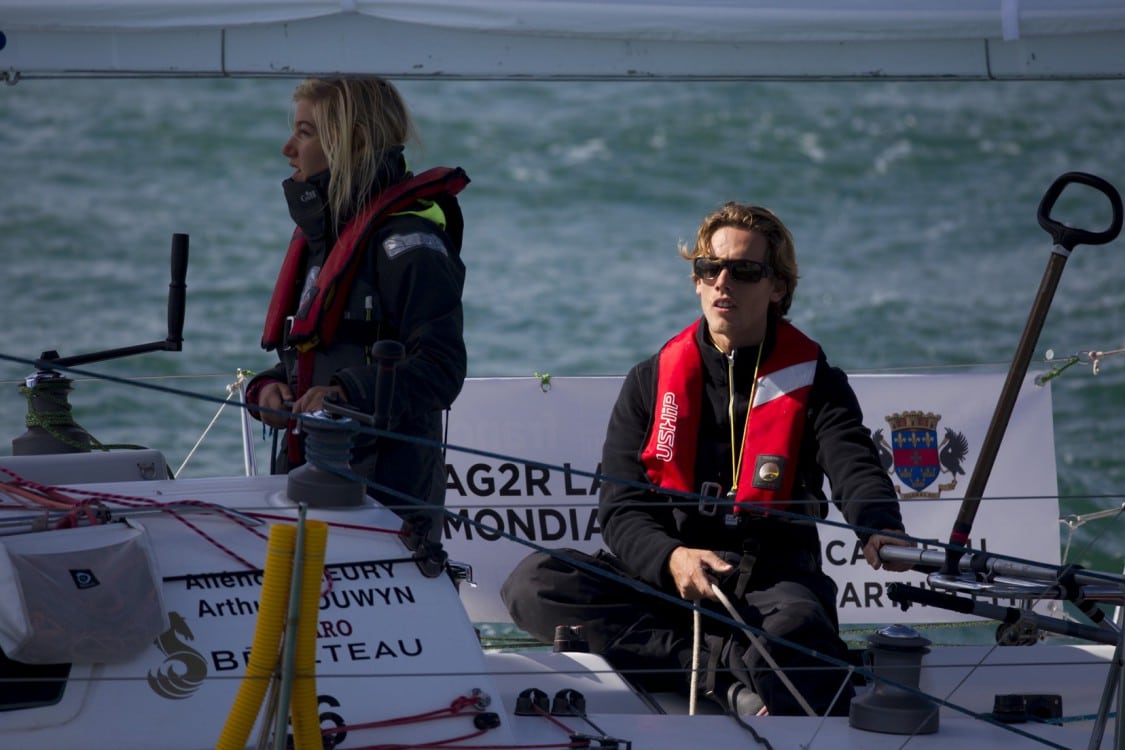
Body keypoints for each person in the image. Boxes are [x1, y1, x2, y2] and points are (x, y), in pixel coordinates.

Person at [502, 202, 913, 717]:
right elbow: (621, 510)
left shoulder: (818, 383)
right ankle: (724, 671)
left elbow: (854, 462)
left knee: (800, 641)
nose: (723, 282)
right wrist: (672, 559)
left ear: (778, 288)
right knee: (535, 583)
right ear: (696, 281)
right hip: (667, 582)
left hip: (771, 586)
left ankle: (709, 664)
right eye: (709, 268)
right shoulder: (649, 382)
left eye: (744, 271)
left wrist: (879, 526)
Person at [246, 77, 469, 543]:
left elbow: (441, 369)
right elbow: (322, 355)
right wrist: (269, 388)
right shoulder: (324, 241)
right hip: (307, 484)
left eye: (305, 133)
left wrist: (344, 395)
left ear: (356, 140)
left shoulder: (409, 245)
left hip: (384, 504)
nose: (288, 148)